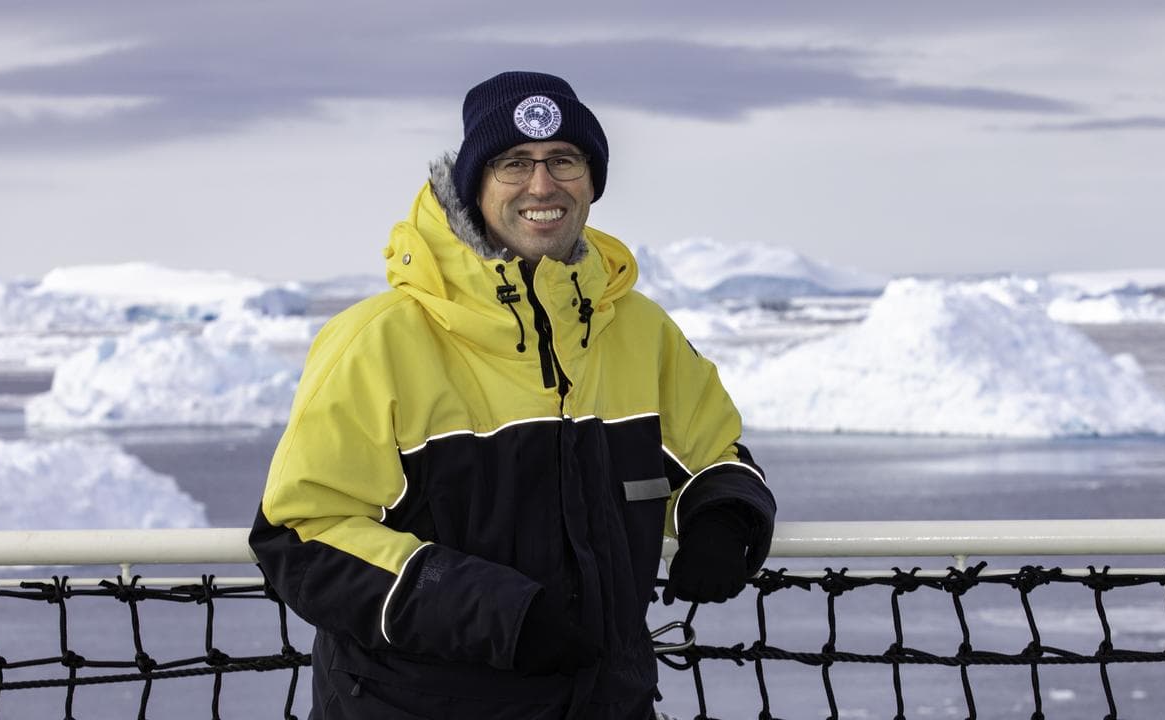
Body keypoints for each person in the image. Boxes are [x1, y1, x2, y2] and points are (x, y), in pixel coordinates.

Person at [250, 70, 777, 720]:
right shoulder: (376, 341)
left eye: (564, 160)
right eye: (513, 163)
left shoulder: (638, 329)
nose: (542, 184)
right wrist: (501, 614)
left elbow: (712, 452)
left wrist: (723, 514)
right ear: (475, 184)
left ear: (592, 180)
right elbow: (305, 534)